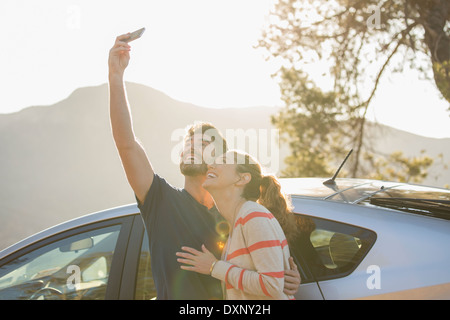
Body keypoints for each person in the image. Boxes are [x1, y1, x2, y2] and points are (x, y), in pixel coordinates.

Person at [108, 33, 301, 299]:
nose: (189, 148)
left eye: (202, 144)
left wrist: (291, 275)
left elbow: (271, 266)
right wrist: (116, 76)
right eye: (188, 143)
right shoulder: (160, 201)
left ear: (220, 160)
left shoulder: (239, 214)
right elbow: (126, 144)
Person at [176, 150, 298, 299]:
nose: (210, 165)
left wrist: (214, 267)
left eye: (223, 161)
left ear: (242, 179)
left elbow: (272, 285)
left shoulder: (253, 216)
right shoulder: (239, 221)